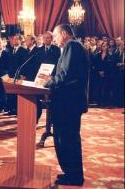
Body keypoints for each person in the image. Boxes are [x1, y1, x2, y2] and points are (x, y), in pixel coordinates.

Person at [41, 24, 89, 186]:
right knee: (65, 138)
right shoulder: (72, 47)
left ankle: (74, 176)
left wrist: (47, 82)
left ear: (64, 34)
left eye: (55, 36)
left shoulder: (72, 46)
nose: (54, 40)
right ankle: (71, 172)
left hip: (68, 103)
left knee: (68, 139)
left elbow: (64, 75)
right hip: (68, 102)